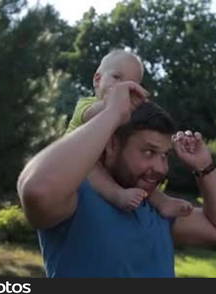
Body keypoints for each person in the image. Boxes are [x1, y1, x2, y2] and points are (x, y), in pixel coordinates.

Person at [17, 81, 216, 277]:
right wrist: (113, 113)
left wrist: (203, 166)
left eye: (165, 155)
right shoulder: (75, 194)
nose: (161, 168)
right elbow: (38, 190)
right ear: (112, 145)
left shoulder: (156, 206)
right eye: (148, 152)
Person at [66, 49, 192, 217]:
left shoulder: (124, 113)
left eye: (132, 85)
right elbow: (98, 113)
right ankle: (117, 195)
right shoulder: (88, 105)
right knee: (94, 169)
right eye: (117, 78)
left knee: (136, 173)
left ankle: (162, 202)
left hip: (107, 163)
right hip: (76, 161)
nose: (123, 88)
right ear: (98, 80)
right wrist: (117, 105)